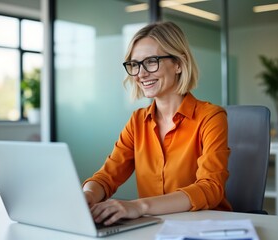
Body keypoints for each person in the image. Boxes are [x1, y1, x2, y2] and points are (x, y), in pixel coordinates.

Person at [82, 21, 232, 226]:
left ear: (179, 63)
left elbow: (210, 188)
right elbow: (106, 177)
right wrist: (88, 195)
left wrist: (138, 206)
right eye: (135, 64)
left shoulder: (211, 117)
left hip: (205, 228)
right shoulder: (137, 121)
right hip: (155, 229)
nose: (141, 74)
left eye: (151, 61)